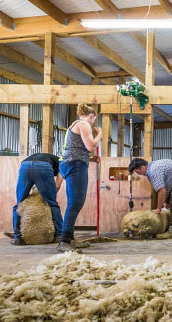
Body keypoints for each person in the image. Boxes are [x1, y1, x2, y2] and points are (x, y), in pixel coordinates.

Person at [57, 103, 101, 253]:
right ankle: (64, 241)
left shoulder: (75, 124)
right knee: (75, 203)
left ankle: (70, 239)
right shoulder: (84, 124)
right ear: (92, 116)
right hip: (75, 165)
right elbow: (90, 146)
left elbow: (76, 149)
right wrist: (99, 134)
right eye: (94, 120)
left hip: (71, 163)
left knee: (74, 203)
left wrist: (91, 160)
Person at [128, 158, 172, 239]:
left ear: (143, 168)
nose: (140, 174)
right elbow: (165, 188)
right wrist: (165, 201)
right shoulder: (151, 167)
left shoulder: (153, 171)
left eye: (138, 172)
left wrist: (159, 209)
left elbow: (162, 191)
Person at [11, 153, 64, 245]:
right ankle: (59, 235)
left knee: (19, 203)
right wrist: (49, 195)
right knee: (52, 203)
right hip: (43, 166)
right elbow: (57, 185)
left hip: (25, 165)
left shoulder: (51, 158)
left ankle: (18, 237)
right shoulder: (63, 164)